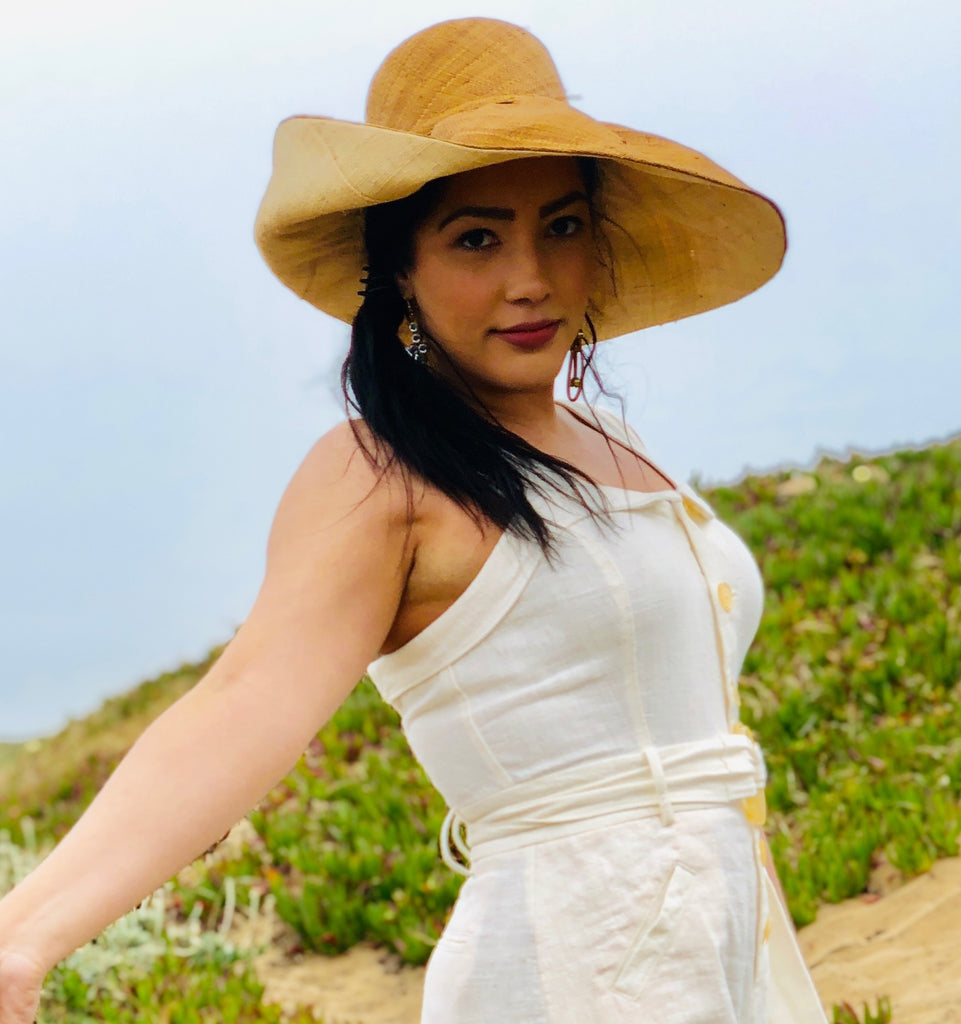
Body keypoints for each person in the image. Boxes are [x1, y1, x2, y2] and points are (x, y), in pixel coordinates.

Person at [0, 17, 828, 1024]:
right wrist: (22, 937)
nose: (529, 277)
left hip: (732, 951)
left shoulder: (609, 439)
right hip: (576, 965)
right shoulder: (377, 475)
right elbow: (243, 700)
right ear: (397, 266)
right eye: (476, 238)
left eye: (560, 226)